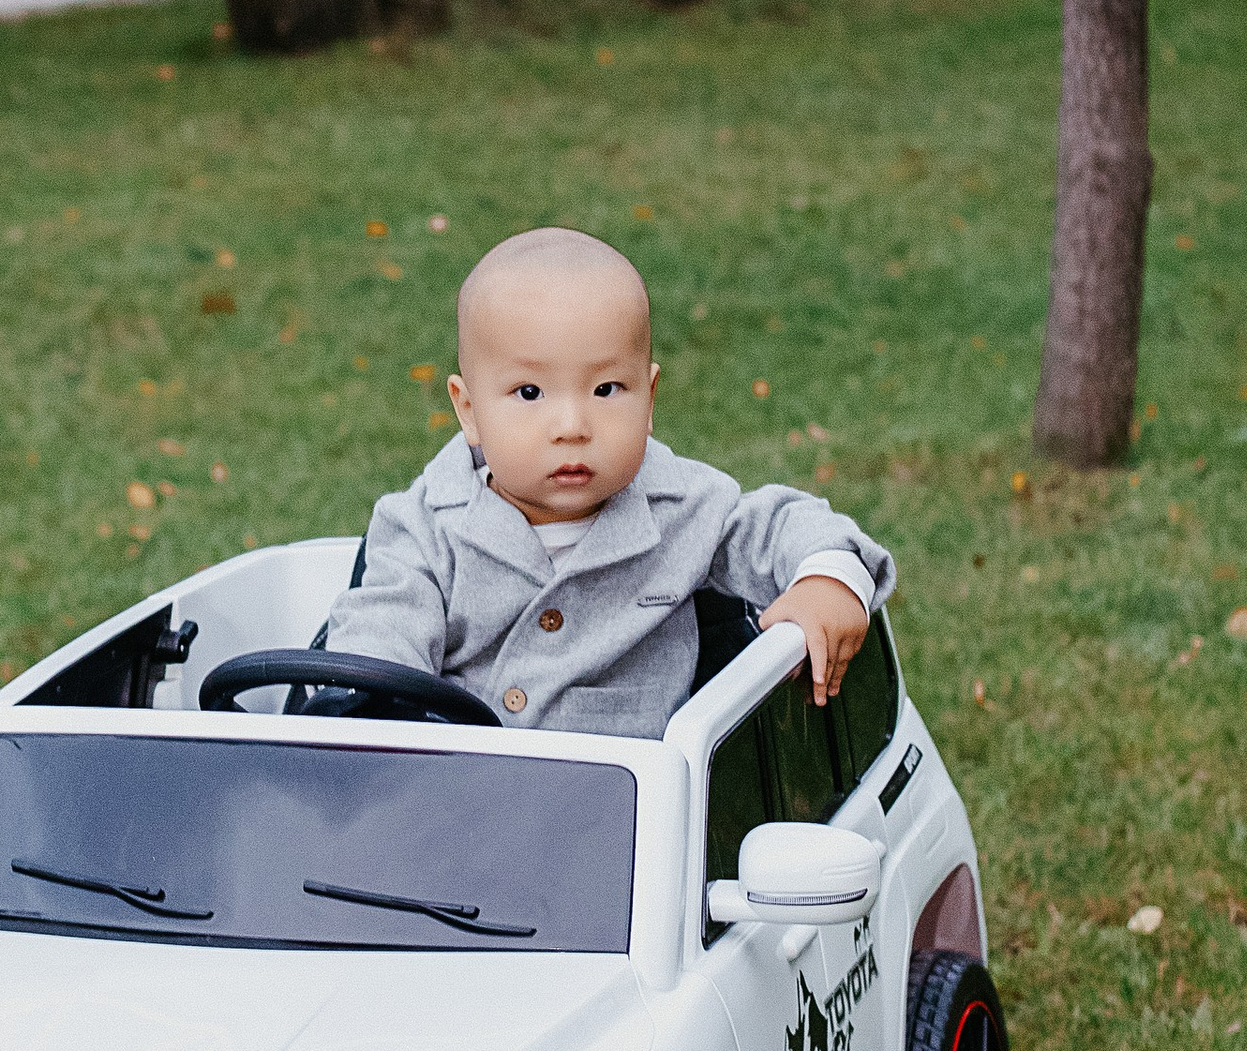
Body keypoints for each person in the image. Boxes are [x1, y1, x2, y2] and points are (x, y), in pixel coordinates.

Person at [323, 225, 892, 739]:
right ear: (468, 410)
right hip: (464, 812)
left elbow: (783, 526)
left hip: (630, 829)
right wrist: (370, 711)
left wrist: (830, 578)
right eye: (529, 394)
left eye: (606, 390)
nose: (572, 427)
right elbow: (380, 643)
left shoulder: (683, 509)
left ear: (649, 400)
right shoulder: (423, 528)